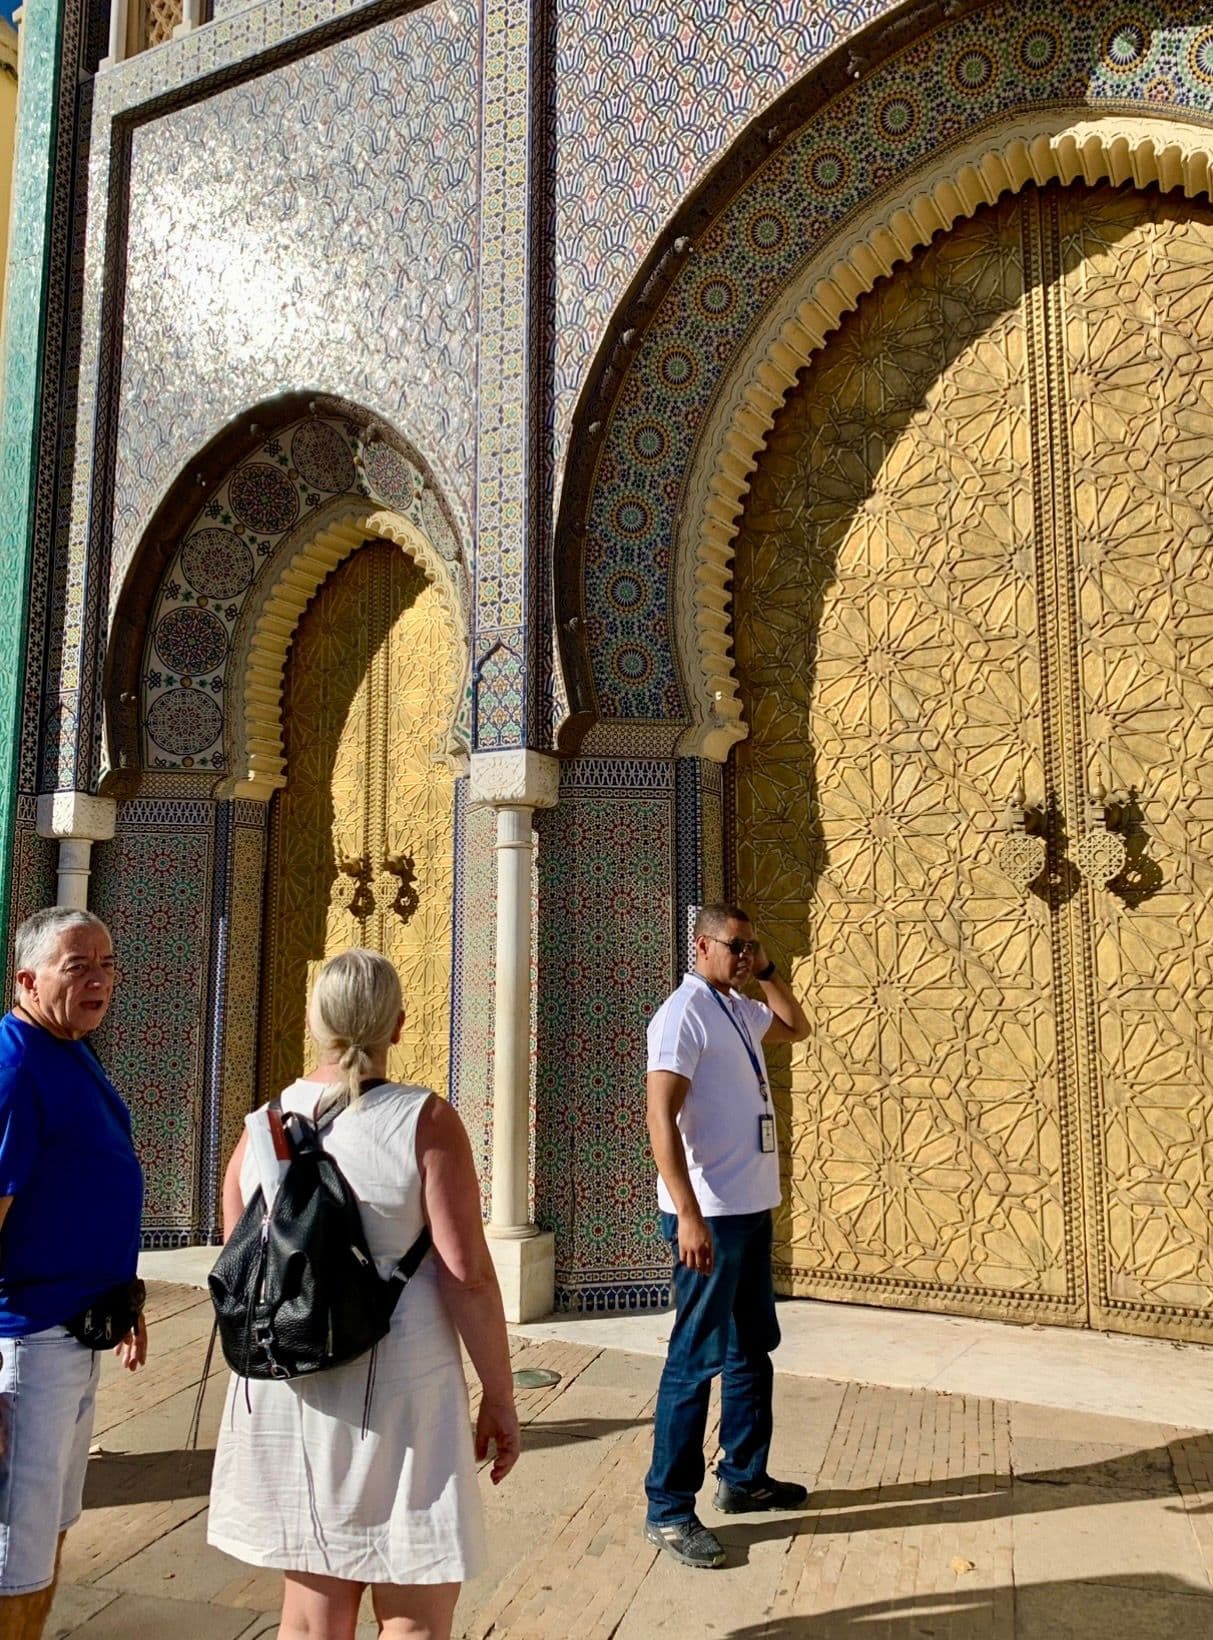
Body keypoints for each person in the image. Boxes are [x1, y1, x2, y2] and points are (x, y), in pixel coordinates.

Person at [207, 948, 519, 1640]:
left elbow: (242, 1253)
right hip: (399, 1383)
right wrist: (499, 1394)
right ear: (399, 1025)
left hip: (294, 1374)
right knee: (412, 1609)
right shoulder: (424, 1119)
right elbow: (465, 1273)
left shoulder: (264, 1124)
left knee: (313, 1615)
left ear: (315, 1023)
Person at [642, 902, 811, 1569]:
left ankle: (743, 1478)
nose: (742, 957)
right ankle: (667, 1510)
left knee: (750, 1350)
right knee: (694, 1359)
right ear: (701, 946)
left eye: (750, 947)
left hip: (747, 1209)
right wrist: (685, 1212)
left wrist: (768, 971)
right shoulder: (680, 1015)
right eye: (734, 947)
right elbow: (659, 1115)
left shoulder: (737, 1009)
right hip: (708, 1216)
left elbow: (796, 1027)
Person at [0, 906, 148, 1636]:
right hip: (26, 1344)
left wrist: (122, 1297)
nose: (99, 979)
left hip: (73, 1331)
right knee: (13, 1556)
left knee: (47, 1536)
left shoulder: (66, 1048)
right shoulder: (15, 1065)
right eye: (77, 965)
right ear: (26, 979)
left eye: (108, 963)